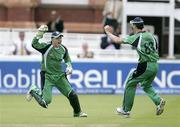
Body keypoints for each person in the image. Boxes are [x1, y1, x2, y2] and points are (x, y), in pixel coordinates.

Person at [104, 17, 166, 117]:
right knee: (146, 85)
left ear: (135, 26)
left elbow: (116, 40)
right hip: (155, 65)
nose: (131, 27)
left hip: (145, 65)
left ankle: (126, 110)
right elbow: (155, 48)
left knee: (130, 83)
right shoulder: (151, 36)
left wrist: (107, 32)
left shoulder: (136, 37)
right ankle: (158, 101)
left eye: (132, 25)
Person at [26, 25, 87, 117]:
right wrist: (39, 34)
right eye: (57, 38)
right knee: (45, 102)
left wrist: (69, 66)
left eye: (60, 38)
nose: (60, 40)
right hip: (48, 76)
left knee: (72, 94)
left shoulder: (63, 49)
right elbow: (34, 44)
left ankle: (77, 112)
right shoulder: (46, 47)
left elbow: (67, 59)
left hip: (60, 76)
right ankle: (34, 90)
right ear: (52, 39)